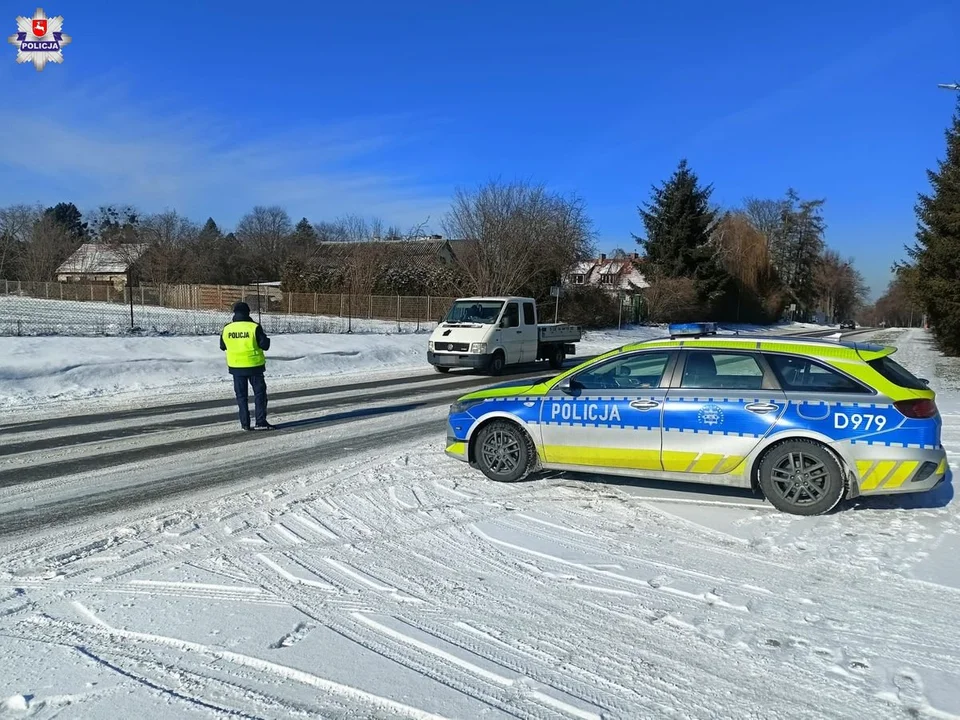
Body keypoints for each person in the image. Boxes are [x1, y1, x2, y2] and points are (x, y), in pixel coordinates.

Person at [219, 301, 274, 431]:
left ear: (235, 313)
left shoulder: (227, 328)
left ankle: (245, 424)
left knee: (241, 397)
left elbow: (222, 346)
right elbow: (264, 345)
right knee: (260, 394)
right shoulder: (254, 327)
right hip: (254, 366)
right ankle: (260, 421)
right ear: (248, 312)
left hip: (236, 367)